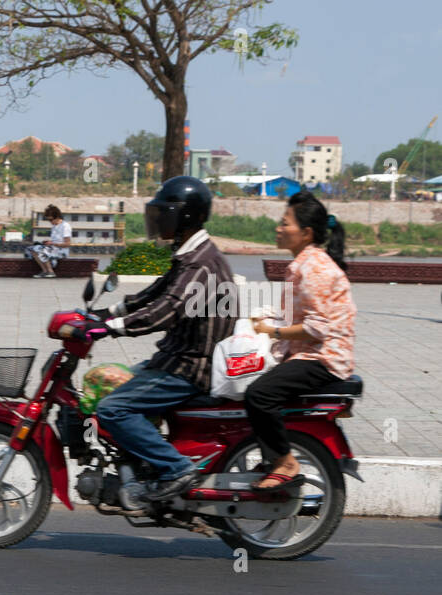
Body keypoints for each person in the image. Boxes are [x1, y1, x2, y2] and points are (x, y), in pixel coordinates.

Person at [82, 176, 236, 501]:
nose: (158, 220)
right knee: (106, 382)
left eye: (164, 213)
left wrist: (111, 328)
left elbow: (166, 310)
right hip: (177, 358)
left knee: (112, 409)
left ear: (184, 217)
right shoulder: (190, 256)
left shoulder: (200, 265)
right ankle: (137, 462)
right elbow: (152, 296)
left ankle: (176, 468)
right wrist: (103, 314)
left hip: (189, 368)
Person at [246, 192, 355, 490]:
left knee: (258, 395)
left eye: (285, 224)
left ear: (306, 233)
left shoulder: (314, 267)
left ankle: (285, 462)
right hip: (307, 354)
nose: (278, 229)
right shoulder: (304, 263)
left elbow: (317, 328)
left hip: (322, 359)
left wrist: (272, 332)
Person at [26, 205, 70, 277]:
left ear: (57, 217)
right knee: (33, 249)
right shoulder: (54, 226)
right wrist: (48, 242)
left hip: (61, 250)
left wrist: (53, 243)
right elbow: (55, 240)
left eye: (51, 220)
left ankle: (51, 271)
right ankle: (45, 271)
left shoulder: (65, 226)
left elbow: (67, 244)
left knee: (42, 250)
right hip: (53, 248)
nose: (50, 222)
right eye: (48, 220)